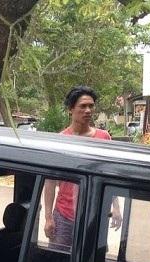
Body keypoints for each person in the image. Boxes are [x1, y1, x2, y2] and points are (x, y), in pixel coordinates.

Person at [44, 86, 120, 250]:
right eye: (83, 106)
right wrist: (48, 217)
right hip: (64, 216)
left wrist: (116, 207)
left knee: (92, 259)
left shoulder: (104, 138)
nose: (88, 110)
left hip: (94, 214)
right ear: (71, 109)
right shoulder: (61, 141)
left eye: (91, 106)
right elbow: (50, 182)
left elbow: (109, 174)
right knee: (57, 260)